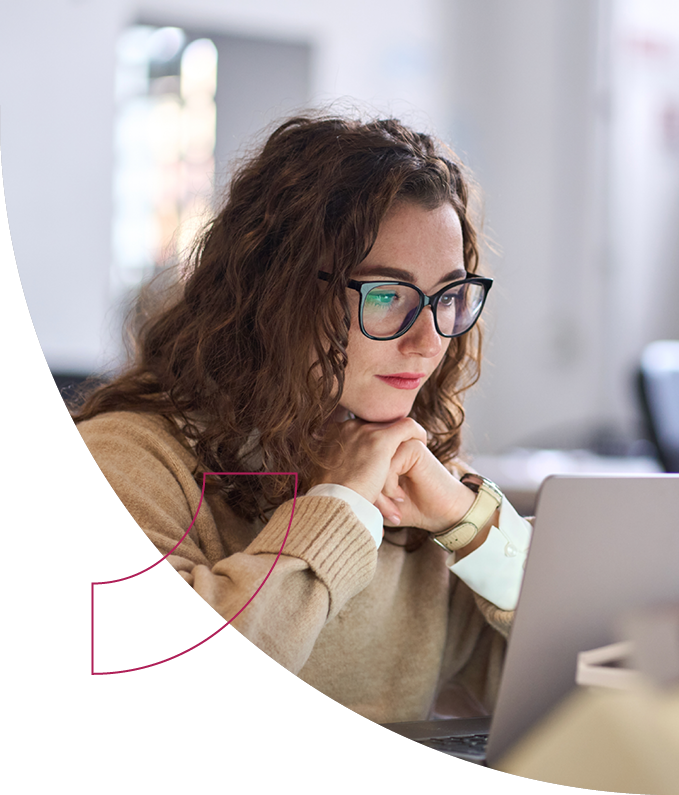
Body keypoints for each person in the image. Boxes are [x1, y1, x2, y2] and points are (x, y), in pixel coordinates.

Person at [74, 114, 531, 723]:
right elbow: (168, 692)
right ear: (277, 294)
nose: (427, 341)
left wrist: (468, 523)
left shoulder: (415, 480)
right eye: (385, 294)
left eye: (448, 297)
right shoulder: (124, 460)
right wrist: (340, 505)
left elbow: (590, 684)